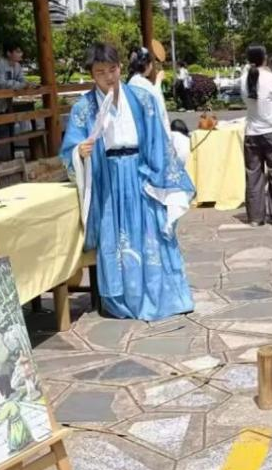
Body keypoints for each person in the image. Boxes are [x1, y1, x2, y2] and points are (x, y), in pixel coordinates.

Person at [60, 43, 195, 320]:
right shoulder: (83, 108)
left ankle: (162, 293)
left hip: (141, 173)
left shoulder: (142, 99)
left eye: (112, 69)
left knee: (151, 233)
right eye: (100, 72)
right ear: (91, 74)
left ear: (120, 68)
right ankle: (123, 297)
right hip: (108, 179)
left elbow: (158, 139)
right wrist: (79, 152)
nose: (108, 77)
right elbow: (69, 149)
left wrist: (160, 178)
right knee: (116, 237)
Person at [241, 44, 272, 226]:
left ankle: (255, 217)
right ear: (264, 58)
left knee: (253, 175)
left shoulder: (244, 79)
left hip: (252, 132)